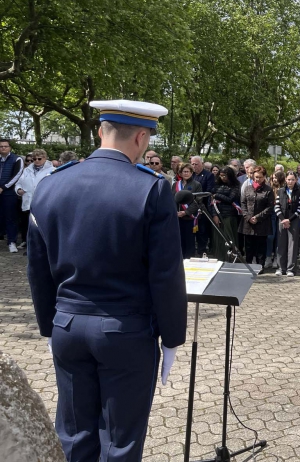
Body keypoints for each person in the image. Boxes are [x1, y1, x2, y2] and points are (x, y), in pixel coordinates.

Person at [27, 99, 186, 462]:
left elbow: (37, 268)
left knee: (74, 435)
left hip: (66, 325)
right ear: (142, 137)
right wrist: (173, 337)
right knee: (120, 442)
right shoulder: (151, 188)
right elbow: (165, 273)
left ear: (100, 131)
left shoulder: (51, 185)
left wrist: (50, 326)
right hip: (125, 331)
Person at [15, 149, 52, 248]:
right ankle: (30, 246)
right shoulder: (27, 170)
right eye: (34, 159)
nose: (36, 161)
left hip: (43, 202)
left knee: (40, 226)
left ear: (45, 158)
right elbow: (18, 183)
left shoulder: (52, 170)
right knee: (28, 226)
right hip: (28, 202)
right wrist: (18, 189)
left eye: (39, 158)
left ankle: (41, 246)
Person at [240, 166, 274, 270]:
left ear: (264, 177)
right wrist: (248, 217)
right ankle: (249, 264)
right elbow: (243, 203)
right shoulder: (248, 188)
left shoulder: (268, 190)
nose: (257, 179)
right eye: (255, 177)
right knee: (249, 246)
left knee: (261, 246)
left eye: (259, 177)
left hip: (262, 223)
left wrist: (258, 218)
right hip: (248, 222)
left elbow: (270, 207)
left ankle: (260, 266)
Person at [274, 171, 300, 277]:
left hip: (293, 220)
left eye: (292, 179)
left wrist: (289, 220)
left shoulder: (299, 192)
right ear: (285, 180)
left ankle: (290, 269)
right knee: (281, 244)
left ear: (296, 180)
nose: (290, 181)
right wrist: (283, 219)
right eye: (288, 179)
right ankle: (280, 268)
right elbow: (276, 206)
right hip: (282, 220)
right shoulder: (281, 191)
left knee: (293, 245)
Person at [210, 166, 241, 262]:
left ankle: (232, 259)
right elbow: (211, 201)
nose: (222, 178)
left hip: (229, 215)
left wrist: (217, 195)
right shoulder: (216, 185)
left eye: (224, 176)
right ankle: (220, 258)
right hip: (218, 214)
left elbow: (230, 199)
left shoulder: (235, 185)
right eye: (221, 175)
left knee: (229, 238)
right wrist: (214, 215)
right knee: (218, 239)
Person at [0, 138, 24, 252]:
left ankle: (12, 242)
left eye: (5, 146)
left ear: (10, 147)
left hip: (9, 193)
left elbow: (17, 175)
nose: (3, 148)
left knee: (11, 218)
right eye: (1, 146)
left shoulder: (17, 159)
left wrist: (3, 187)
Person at [173, 163, 202, 259]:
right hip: (177, 218)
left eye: (188, 171)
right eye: (184, 172)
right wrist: (175, 212)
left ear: (191, 173)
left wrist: (186, 212)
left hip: (190, 217)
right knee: (179, 242)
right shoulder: (175, 185)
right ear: (180, 173)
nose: (186, 173)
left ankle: (189, 260)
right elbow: (172, 199)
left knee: (189, 242)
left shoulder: (197, 185)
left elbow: (198, 201)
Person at [190, 156, 214, 256]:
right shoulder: (190, 175)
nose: (194, 166)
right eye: (192, 164)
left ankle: (202, 253)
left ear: (202, 164)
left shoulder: (209, 175)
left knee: (202, 233)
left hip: (202, 208)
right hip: (190, 208)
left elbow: (209, 191)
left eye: (196, 164)